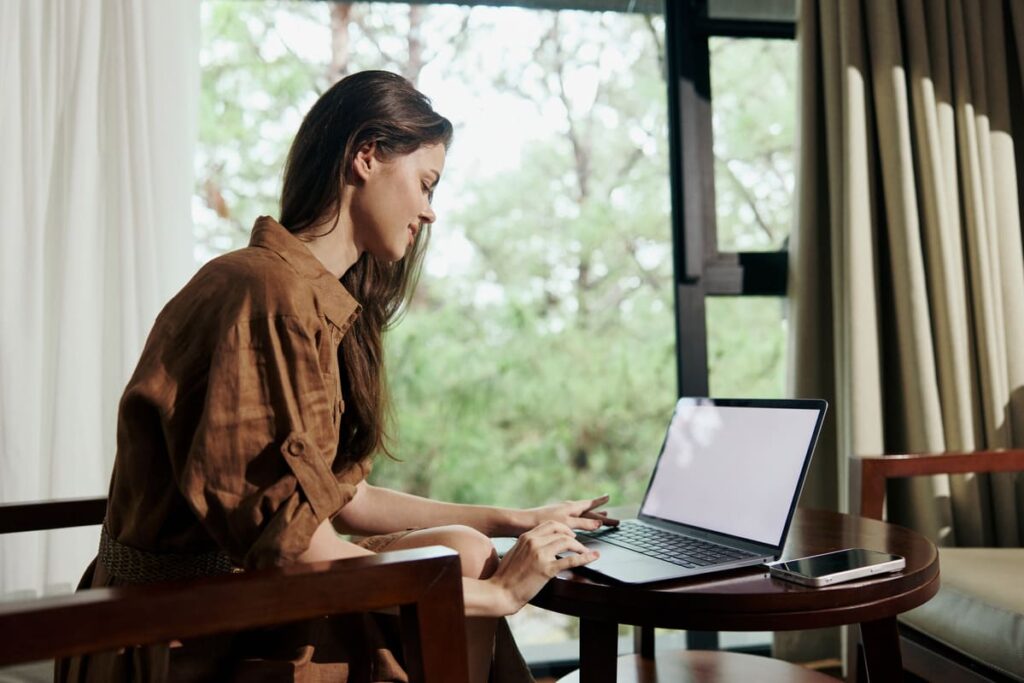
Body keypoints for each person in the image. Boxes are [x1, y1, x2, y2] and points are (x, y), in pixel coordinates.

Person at [58, 70, 616, 683]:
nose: (429, 212)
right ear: (366, 156)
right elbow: (294, 549)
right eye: (427, 184)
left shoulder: (310, 300)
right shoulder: (263, 294)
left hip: (247, 590)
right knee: (470, 578)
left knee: (464, 548)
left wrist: (514, 519)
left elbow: (346, 498)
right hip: (180, 628)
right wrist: (500, 596)